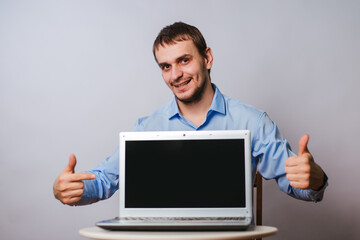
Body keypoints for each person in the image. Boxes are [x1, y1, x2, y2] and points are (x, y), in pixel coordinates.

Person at [53, 22, 328, 206]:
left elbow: (300, 183)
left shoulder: (252, 122)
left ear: (206, 58)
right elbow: (103, 181)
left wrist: (315, 179)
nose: (176, 75)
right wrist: (67, 190)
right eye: (165, 66)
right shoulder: (147, 127)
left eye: (184, 60)